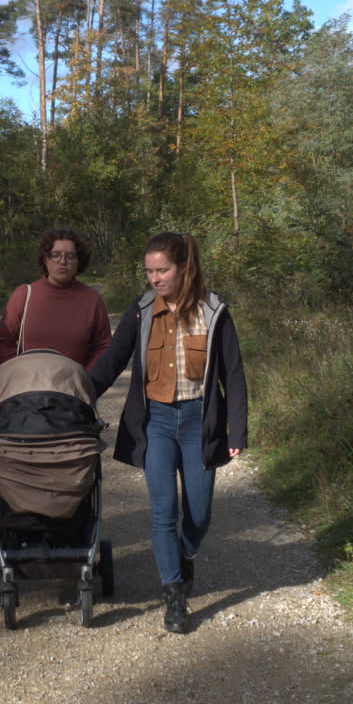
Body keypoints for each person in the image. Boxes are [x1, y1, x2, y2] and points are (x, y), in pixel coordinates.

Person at [89, 231, 247, 634]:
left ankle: (184, 553)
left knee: (199, 514)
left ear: (184, 268)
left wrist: (237, 431)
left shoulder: (214, 311)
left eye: (162, 270)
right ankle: (174, 594)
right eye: (149, 271)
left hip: (199, 424)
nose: (154, 278)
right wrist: (78, 395)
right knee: (163, 510)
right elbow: (112, 361)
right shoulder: (142, 310)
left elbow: (233, 374)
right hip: (156, 423)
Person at [0, 226, 112, 368]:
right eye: (56, 254)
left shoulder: (92, 300)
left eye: (70, 256)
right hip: (27, 381)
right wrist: (15, 374)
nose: (63, 261)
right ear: (45, 258)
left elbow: (103, 347)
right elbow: (4, 343)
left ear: (79, 261)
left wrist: (86, 376)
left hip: (75, 381)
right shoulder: (23, 296)